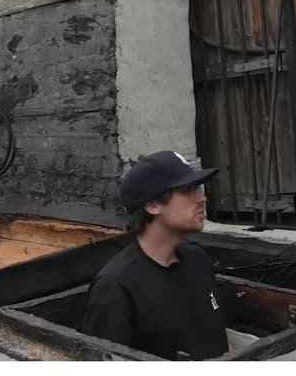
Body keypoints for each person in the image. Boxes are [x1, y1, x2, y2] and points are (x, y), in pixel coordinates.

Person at [80, 150, 234, 360]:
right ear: (153, 205)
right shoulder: (116, 286)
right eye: (188, 190)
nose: (201, 198)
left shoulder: (198, 261)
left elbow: (218, 341)